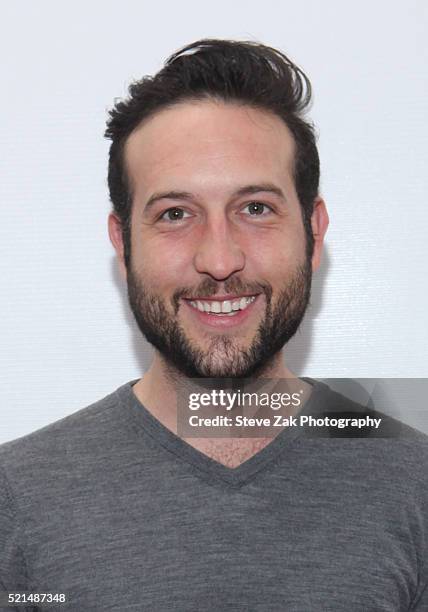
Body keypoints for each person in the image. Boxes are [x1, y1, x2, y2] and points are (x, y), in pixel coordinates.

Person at [0, 39, 427, 612]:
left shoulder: (415, 485)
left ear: (314, 233)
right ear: (123, 245)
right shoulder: (16, 497)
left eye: (256, 208)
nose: (220, 260)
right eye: (175, 214)